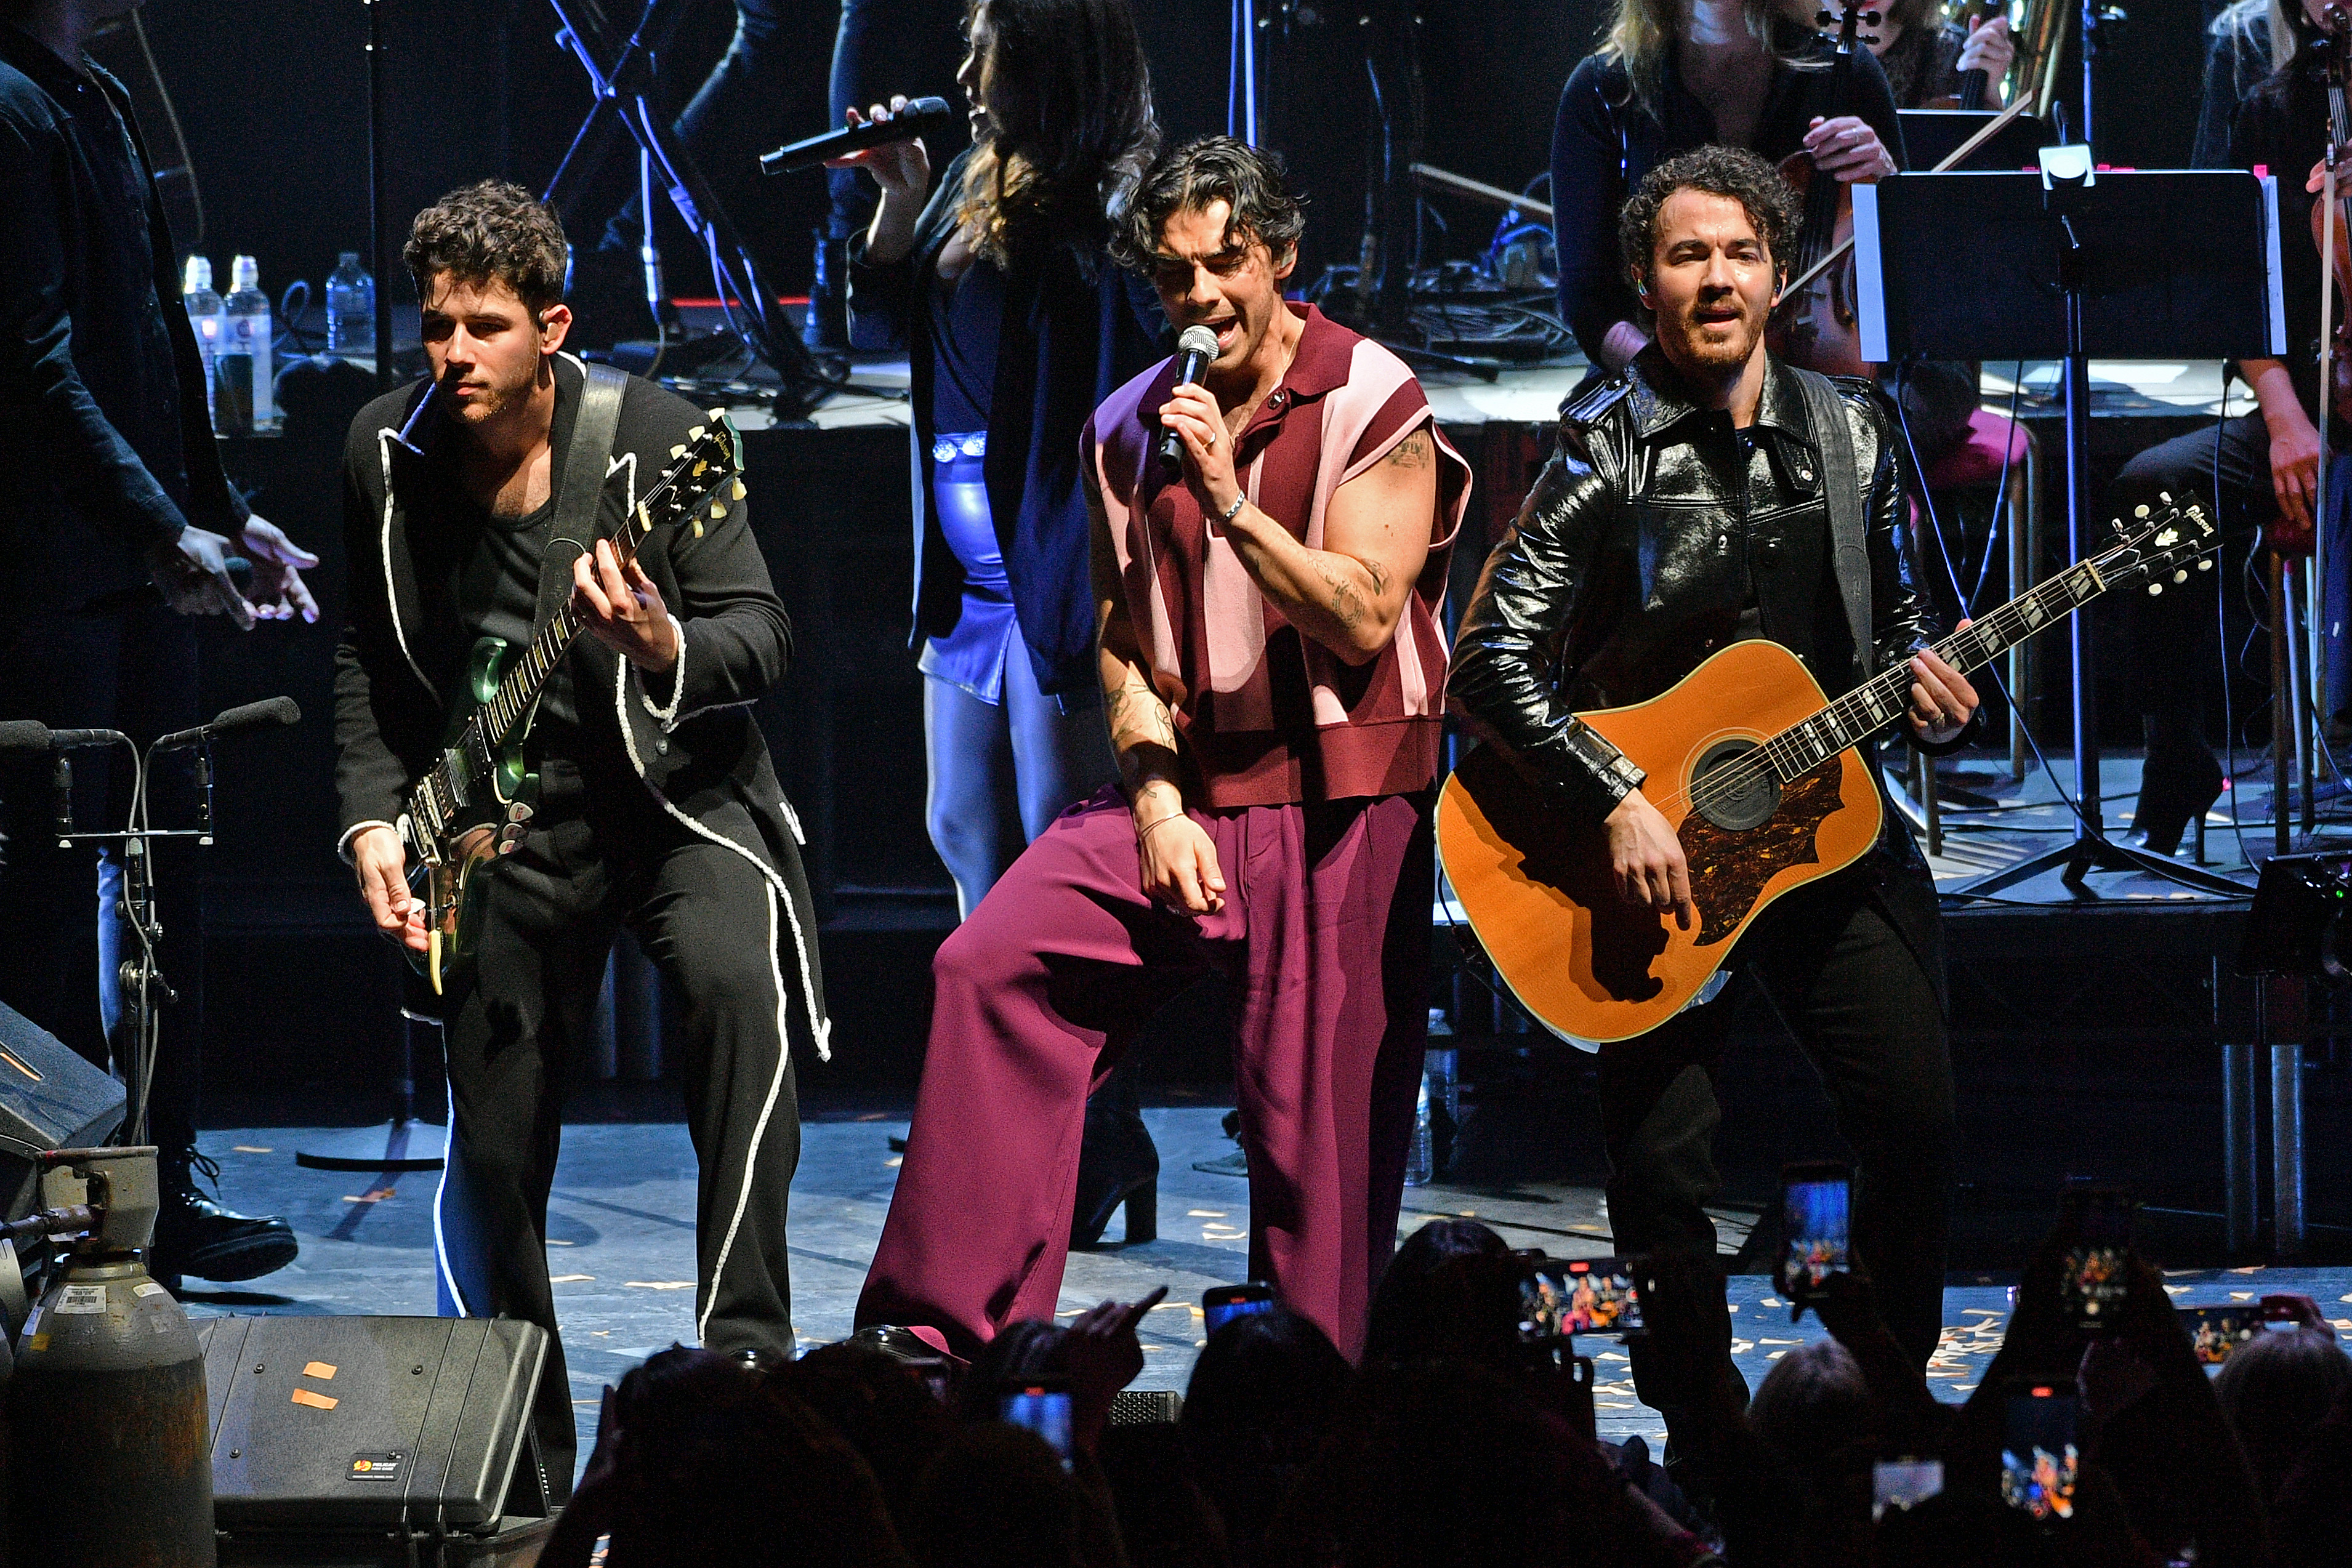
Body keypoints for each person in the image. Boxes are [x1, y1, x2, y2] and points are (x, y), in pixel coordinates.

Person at [855, 135, 1469, 1362]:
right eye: (1176, 275)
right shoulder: (1127, 430)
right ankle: (942, 1341)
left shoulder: (1371, 395)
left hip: (1343, 803)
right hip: (1195, 794)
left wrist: (1233, 497)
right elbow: (1124, 650)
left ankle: (1305, 1400)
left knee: (1313, 1140)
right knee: (991, 964)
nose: (1201, 299)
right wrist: (1154, 812)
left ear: (1280, 258)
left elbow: (1358, 610)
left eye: (1225, 265)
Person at [1447, 147, 1975, 1441]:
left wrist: (1925, 683)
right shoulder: (1600, 449)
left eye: (1739, 252)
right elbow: (1485, 662)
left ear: (1779, 273)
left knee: (1915, 1116)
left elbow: (1897, 617)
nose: (1716, 277)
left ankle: (1887, 1404)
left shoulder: (1852, 428)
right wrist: (1614, 793)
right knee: (1661, 1171)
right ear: (1646, 279)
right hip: (1644, 859)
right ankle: (1704, 1434)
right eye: (1686, 255)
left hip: (1820, 836)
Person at [332, 179, 826, 1494]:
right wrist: (375, 824)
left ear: (552, 326)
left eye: (484, 327)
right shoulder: (388, 455)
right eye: (435, 325)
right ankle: (535, 1457)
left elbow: (763, 631)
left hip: (673, 804)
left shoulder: (662, 440)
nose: (452, 355)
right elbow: (367, 669)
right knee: (494, 1152)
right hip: (503, 834)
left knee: (738, 987)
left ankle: (746, 1379)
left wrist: (665, 640)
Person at [834, 0, 1168, 1248]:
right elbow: (875, 330)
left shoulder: (1119, 206)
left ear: (1059, 73)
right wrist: (898, 198)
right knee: (960, 823)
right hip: (961, 568)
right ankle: (1018, 1099)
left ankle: (1091, 1122)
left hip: (1053, 568)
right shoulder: (972, 181)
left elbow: (1133, 365)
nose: (968, 77)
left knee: (1053, 859)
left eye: (997, 60)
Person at [0, 0, 312, 1289]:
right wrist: (152, 526)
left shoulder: (98, 99)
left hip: (140, 565)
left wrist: (221, 508)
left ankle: (159, 1189)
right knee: (52, 903)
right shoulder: (10, 109)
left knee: (167, 881)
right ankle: (67, 1209)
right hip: (54, 580)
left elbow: (157, 334)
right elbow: (37, 358)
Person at [2107, 0, 2332, 852]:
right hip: (2314, 407)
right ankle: (2178, 752)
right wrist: (2283, 418)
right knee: (2154, 486)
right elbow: (2235, 286)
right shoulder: (2275, 110)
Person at [1551, 0, 1907, 377]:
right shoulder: (1602, 88)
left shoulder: (1847, 72)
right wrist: (1665, 377)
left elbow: (1907, 270)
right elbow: (1588, 299)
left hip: (1822, 367)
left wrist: (1885, 185)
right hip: (1653, 374)